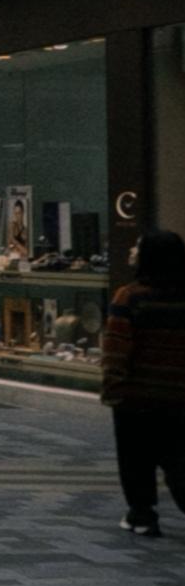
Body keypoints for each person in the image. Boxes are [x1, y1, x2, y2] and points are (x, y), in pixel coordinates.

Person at [102, 225, 185, 536]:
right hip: (179, 395)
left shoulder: (130, 297)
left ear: (149, 257)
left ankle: (142, 514)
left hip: (136, 395)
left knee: (135, 458)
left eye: (137, 248)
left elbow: (116, 348)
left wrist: (113, 387)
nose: (132, 251)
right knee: (178, 458)